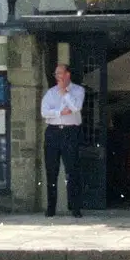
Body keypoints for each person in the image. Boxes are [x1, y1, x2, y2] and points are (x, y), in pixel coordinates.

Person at [40, 62, 84, 217]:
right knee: (51, 170)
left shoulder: (78, 90)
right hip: (53, 132)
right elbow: (44, 112)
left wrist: (65, 93)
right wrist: (59, 112)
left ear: (67, 75)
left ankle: (76, 208)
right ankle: (51, 208)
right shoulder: (50, 93)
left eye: (60, 73)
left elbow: (76, 107)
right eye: (56, 74)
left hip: (70, 132)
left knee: (72, 171)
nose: (57, 76)